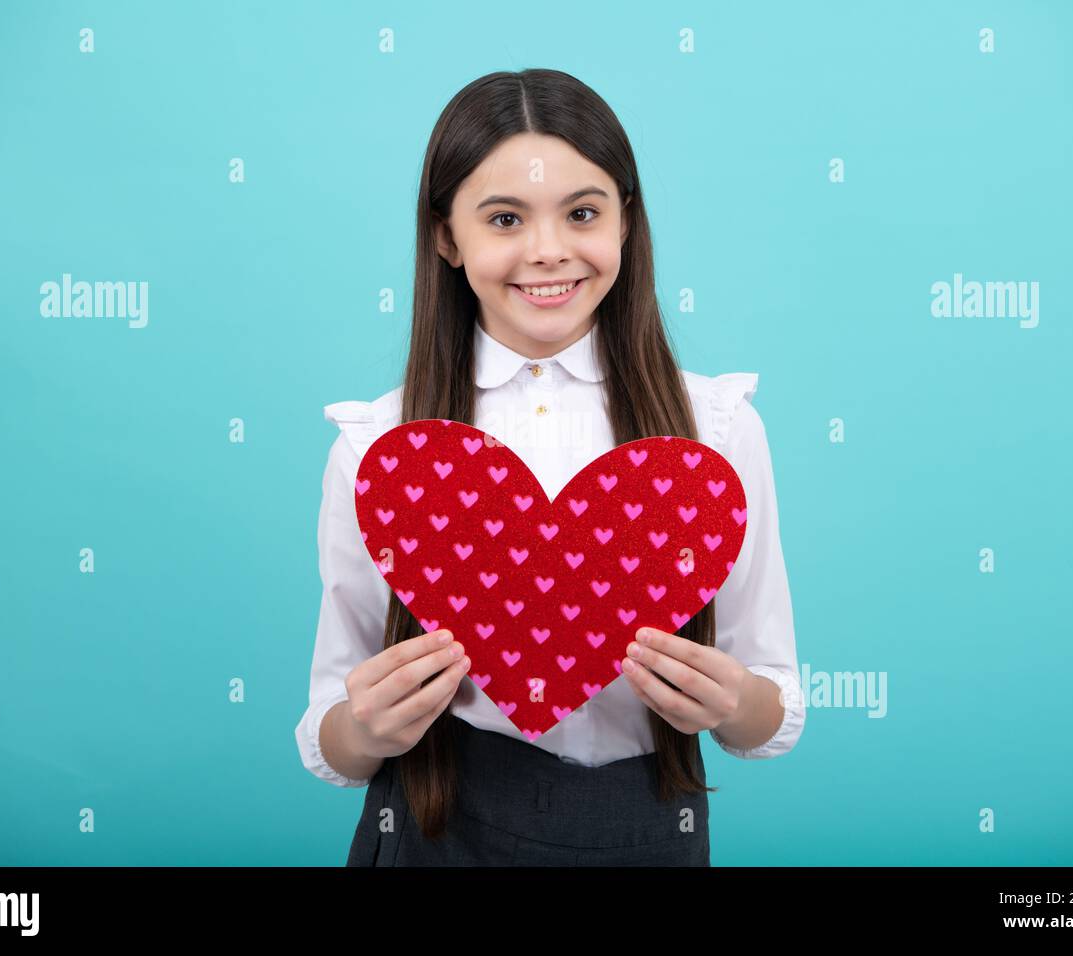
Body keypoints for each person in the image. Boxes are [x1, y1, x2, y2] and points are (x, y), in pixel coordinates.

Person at [294, 68, 805, 866]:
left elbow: (771, 704)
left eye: (583, 213)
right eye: (504, 218)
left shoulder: (718, 430)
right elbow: (333, 725)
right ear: (446, 235)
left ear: (627, 223)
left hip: (650, 826)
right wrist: (365, 728)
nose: (548, 251)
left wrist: (733, 703)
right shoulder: (381, 447)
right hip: (437, 829)